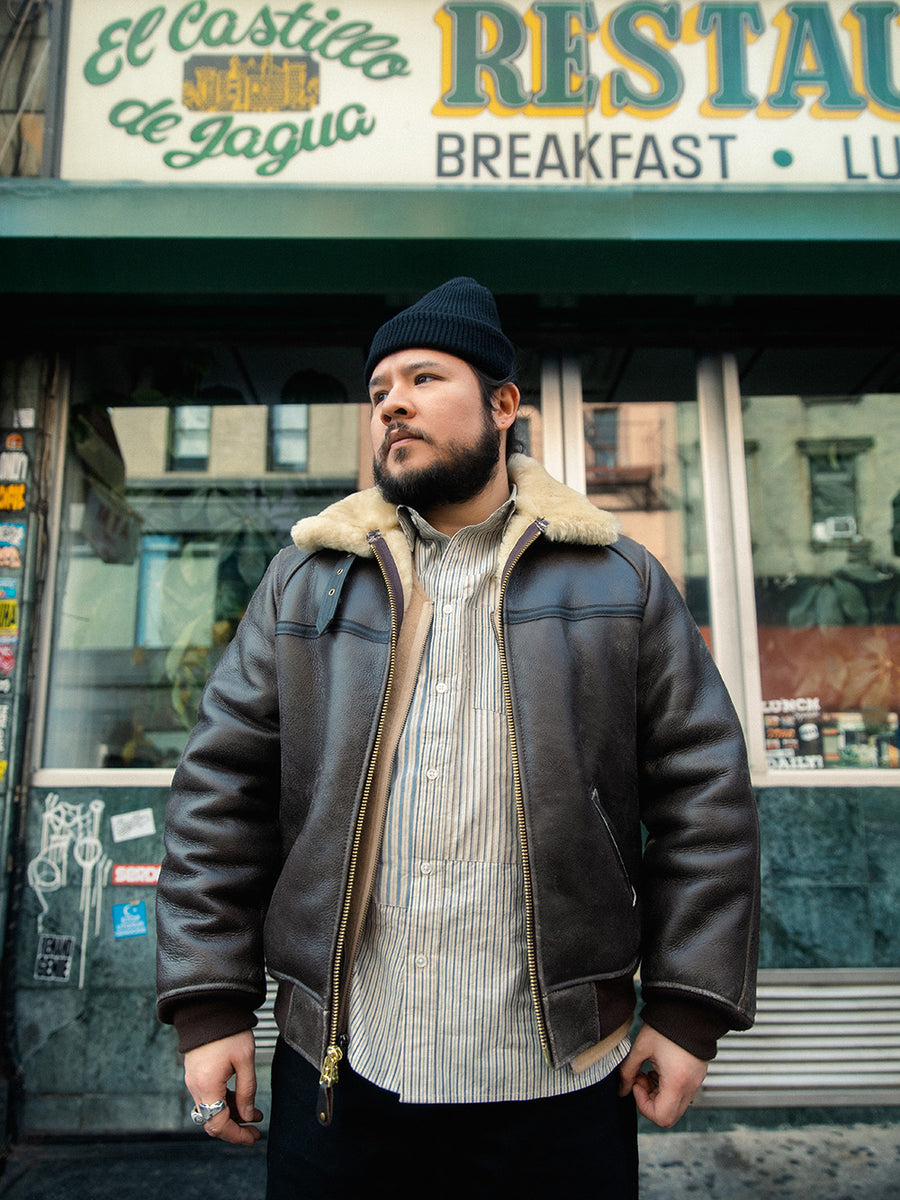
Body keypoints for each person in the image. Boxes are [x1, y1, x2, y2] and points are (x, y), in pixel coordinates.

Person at [156, 278, 760, 1197]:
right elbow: (219, 797)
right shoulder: (306, 583)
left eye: (424, 376)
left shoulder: (619, 581)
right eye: (378, 389)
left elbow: (705, 798)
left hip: (560, 1077)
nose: (390, 401)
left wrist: (686, 1011)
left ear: (504, 404)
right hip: (347, 1075)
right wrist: (210, 1006)